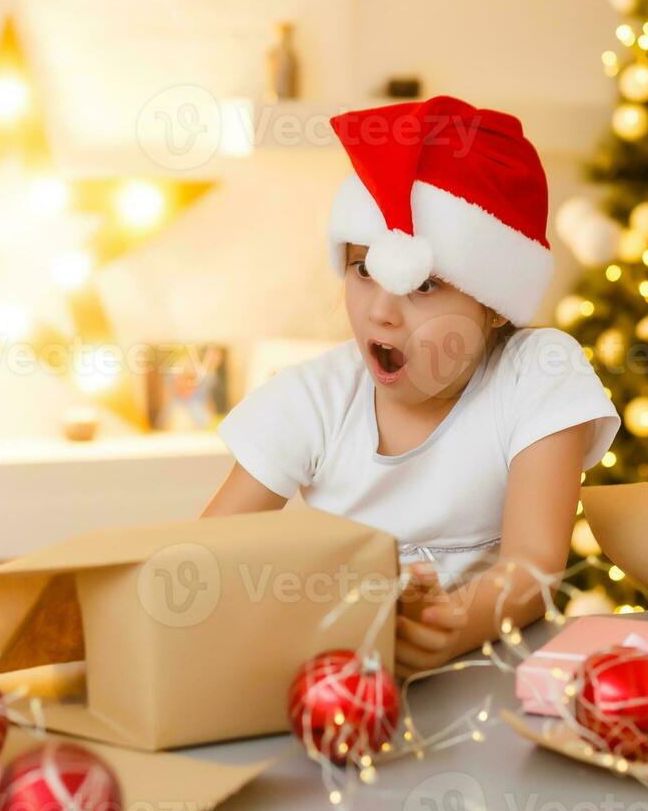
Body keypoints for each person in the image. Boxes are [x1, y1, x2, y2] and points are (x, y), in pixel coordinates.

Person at [200, 96, 621, 680]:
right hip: (340, 682)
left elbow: (533, 565)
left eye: (424, 286)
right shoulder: (310, 400)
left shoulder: (536, 374)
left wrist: (446, 626)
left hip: (491, 680)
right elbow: (205, 557)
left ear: (495, 307)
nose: (381, 313)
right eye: (362, 270)